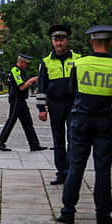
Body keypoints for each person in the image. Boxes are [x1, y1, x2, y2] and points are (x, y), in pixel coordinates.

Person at [57, 25, 112, 224]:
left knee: (75, 167)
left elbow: (71, 90)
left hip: (80, 121)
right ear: (110, 43)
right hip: (106, 122)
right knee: (103, 168)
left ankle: (68, 211)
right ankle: (103, 214)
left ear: (91, 42)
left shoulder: (79, 64)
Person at [36, 24, 82, 185]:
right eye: (56, 40)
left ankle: (71, 171)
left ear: (67, 40)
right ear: (52, 42)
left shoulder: (78, 59)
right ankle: (61, 172)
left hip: (73, 104)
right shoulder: (46, 61)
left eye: (62, 39)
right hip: (55, 104)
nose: (59, 43)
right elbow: (41, 87)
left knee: (73, 138)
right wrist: (41, 108)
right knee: (58, 140)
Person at [0, 54, 47, 151]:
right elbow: (21, 86)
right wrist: (31, 80)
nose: (27, 66)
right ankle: (0, 142)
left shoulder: (21, 71)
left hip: (21, 100)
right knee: (11, 121)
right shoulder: (15, 70)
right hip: (16, 100)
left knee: (28, 122)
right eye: (26, 64)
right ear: (21, 62)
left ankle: (34, 144)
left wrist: (31, 82)